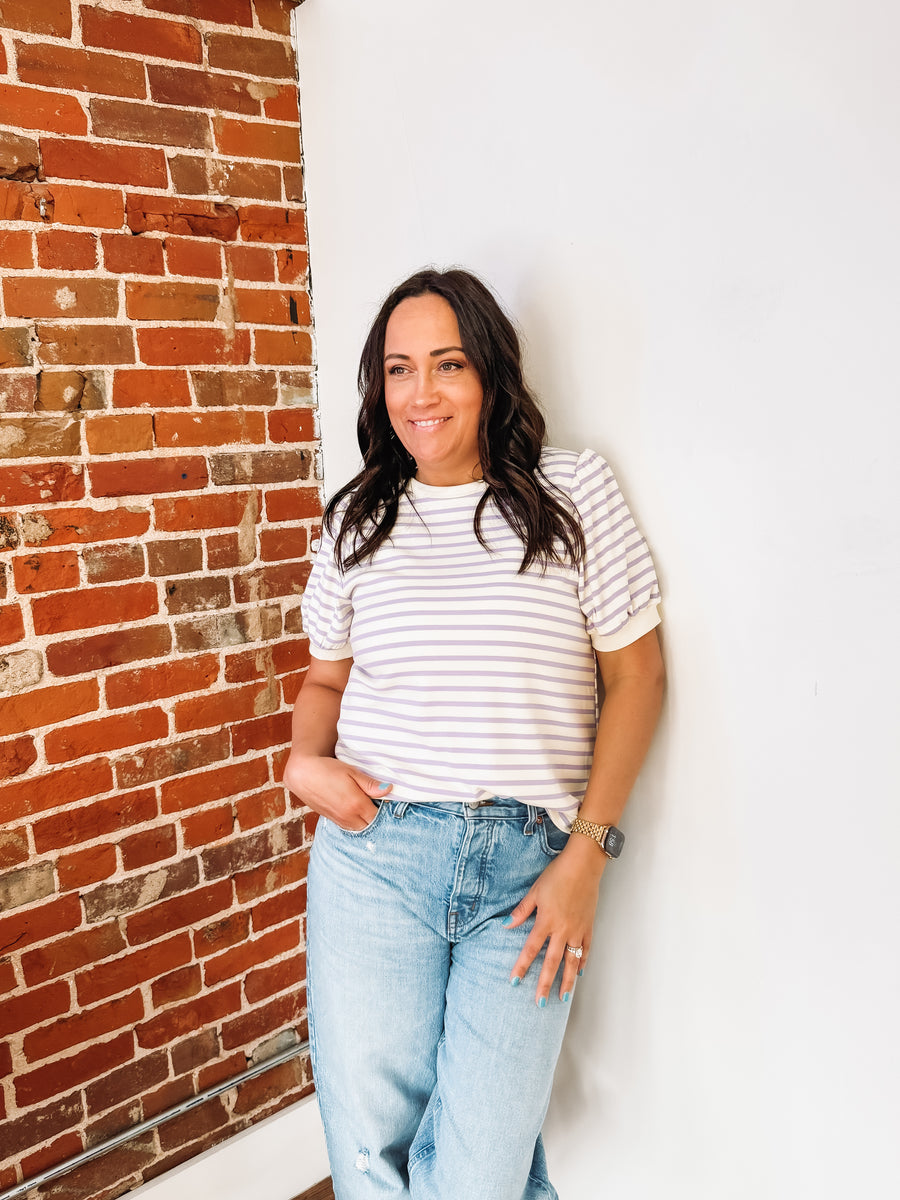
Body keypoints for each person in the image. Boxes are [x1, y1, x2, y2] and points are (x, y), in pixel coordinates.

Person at [283, 268, 664, 1200]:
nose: (421, 393)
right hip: (374, 855)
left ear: (490, 373)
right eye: (399, 369)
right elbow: (324, 679)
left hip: (528, 873)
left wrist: (586, 855)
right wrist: (305, 764)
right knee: (370, 1151)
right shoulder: (358, 520)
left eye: (447, 364)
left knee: (482, 1171)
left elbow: (638, 676)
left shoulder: (569, 492)